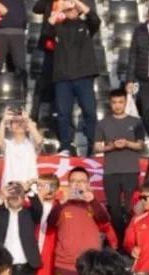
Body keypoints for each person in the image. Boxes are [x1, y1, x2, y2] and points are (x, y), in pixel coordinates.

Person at [46, 167, 117, 275]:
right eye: (73, 181)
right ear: (68, 184)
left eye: (82, 181)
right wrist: (61, 203)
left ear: (88, 184)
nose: (77, 184)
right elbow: (50, 221)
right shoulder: (62, 205)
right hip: (65, 266)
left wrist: (93, 200)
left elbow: (105, 219)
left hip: (91, 267)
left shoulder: (94, 204)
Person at [48, 0, 100, 157]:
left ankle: (93, 145)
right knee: (63, 114)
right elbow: (47, 28)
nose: (71, 11)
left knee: (90, 112)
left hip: (84, 76)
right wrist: (60, 8)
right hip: (63, 77)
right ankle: (65, 146)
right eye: (69, 9)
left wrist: (77, 2)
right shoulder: (58, 26)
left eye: (74, 9)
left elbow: (94, 18)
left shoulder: (86, 25)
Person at [94, 89, 146, 239]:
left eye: (120, 102)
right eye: (114, 102)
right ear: (110, 104)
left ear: (125, 102)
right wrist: (112, 146)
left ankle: (132, 239)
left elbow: (140, 145)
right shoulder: (103, 123)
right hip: (111, 172)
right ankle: (117, 240)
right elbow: (97, 147)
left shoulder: (136, 122)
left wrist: (127, 143)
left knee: (132, 207)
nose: (117, 105)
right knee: (114, 209)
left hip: (130, 170)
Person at [0, 109, 42, 188]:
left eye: (22, 121)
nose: (19, 124)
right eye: (15, 121)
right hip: (10, 189)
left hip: (30, 188)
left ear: (27, 126)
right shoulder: (7, 144)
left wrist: (28, 120)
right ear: (10, 127)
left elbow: (39, 141)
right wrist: (3, 122)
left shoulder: (31, 144)